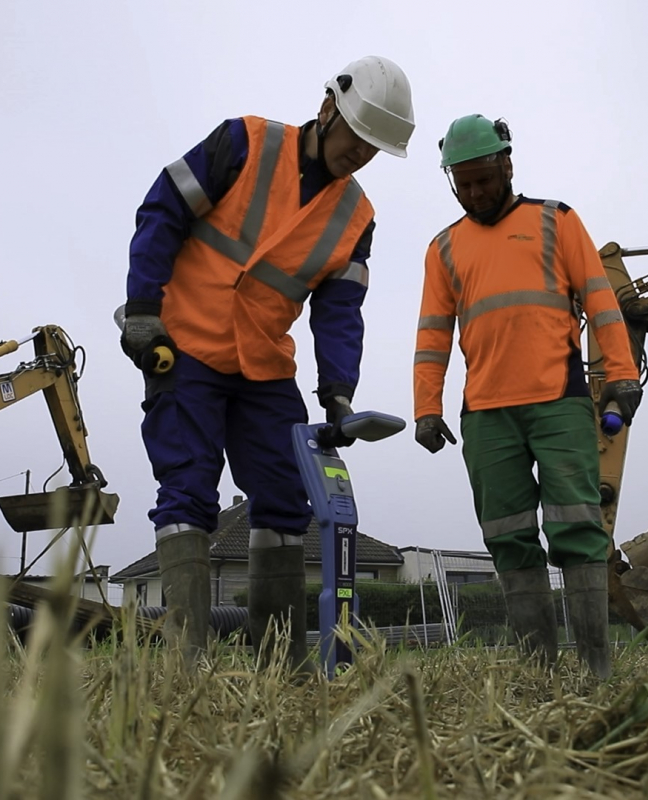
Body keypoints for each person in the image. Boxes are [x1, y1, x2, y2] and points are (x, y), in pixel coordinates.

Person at [121, 56, 415, 673]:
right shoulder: (244, 143)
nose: (360, 154)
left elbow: (339, 312)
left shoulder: (355, 217)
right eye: (356, 137)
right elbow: (162, 211)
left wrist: (338, 393)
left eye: (374, 149)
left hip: (263, 364)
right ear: (329, 107)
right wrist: (144, 308)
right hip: (187, 347)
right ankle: (186, 660)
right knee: (188, 488)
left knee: (286, 497)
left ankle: (279, 658)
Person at [412, 114, 641, 677]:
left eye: (483, 179)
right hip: (486, 417)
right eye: (462, 184)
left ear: (507, 165)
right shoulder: (443, 249)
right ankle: (540, 671)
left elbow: (601, 301)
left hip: (558, 403)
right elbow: (432, 334)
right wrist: (425, 408)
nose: (474, 192)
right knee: (509, 537)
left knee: (579, 530)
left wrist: (621, 374)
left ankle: (596, 670)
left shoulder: (555, 221)